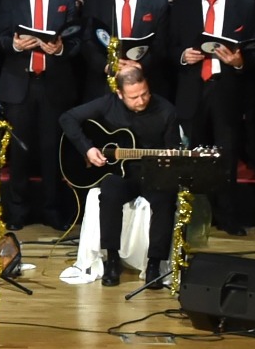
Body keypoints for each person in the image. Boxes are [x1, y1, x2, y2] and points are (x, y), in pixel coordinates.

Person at [62, 61, 183, 287]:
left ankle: (154, 264)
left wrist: (170, 158)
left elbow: (174, 149)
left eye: (144, 94)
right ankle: (112, 260)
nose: (141, 100)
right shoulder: (108, 103)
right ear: (120, 94)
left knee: (165, 199)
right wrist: (88, 149)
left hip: (153, 173)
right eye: (134, 97)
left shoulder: (166, 110)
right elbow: (67, 118)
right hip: (120, 173)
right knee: (109, 193)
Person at [0, 0, 81, 231]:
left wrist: (59, 49)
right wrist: (15, 45)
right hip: (19, 85)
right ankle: (17, 212)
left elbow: (77, 42)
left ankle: (52, 210)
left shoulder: (66, 0)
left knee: (50, 151)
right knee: (19, 153)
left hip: (54, 85)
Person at [171, 0, 255, 234]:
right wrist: (183, 56)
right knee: (193, 155)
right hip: (192, 89)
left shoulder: (243, 6)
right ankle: (195, 219)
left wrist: (239, 62)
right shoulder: (181, 3)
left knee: (226, 155)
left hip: (226, 89)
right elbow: (166, 46)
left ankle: (227, 217)